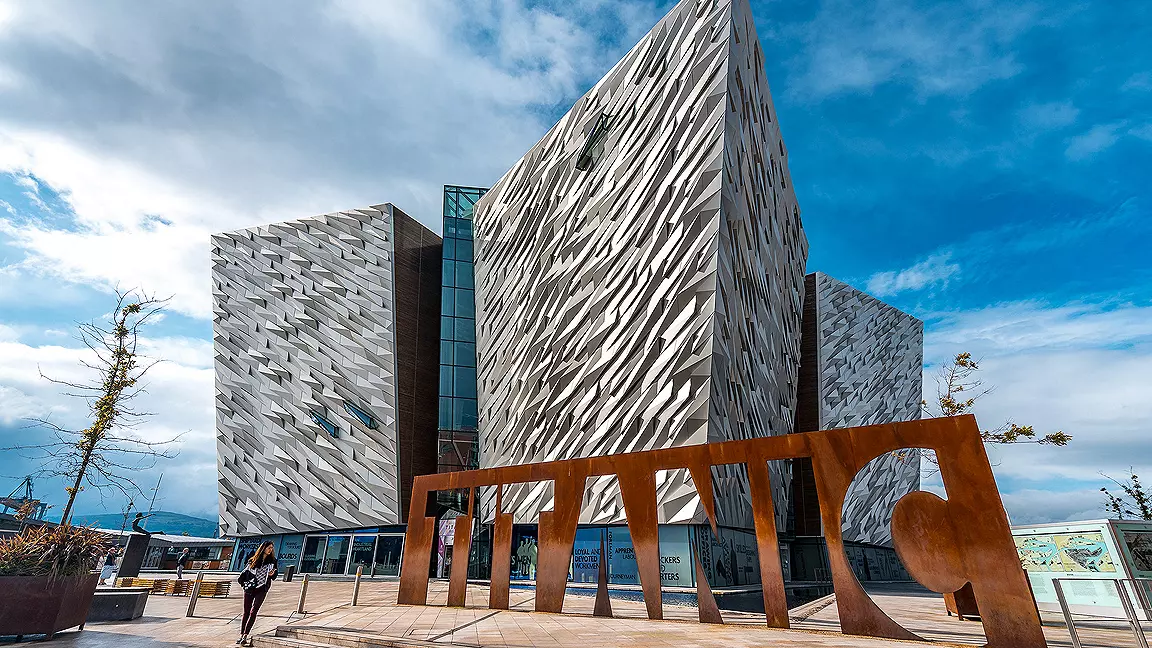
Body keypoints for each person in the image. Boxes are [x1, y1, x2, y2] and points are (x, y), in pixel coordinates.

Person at [238, 541, 278, 646]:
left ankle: (245, 635)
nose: (270, 550)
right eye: (269, 547)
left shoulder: (273, 561)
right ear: (263, 548)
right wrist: (243, 584)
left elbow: (275, 575)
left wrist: (272, 575)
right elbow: (245, 573)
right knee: (246, 612)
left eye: (272, 548)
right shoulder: (253, 560)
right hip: (250, 588)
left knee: (254, 611)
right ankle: (241, 634)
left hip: (262, 588)